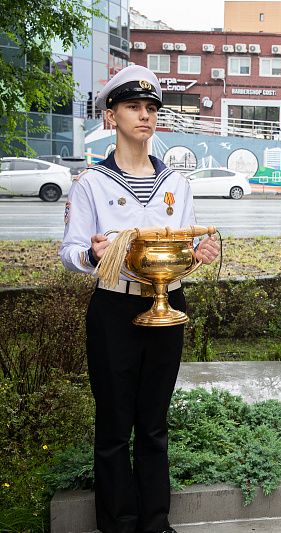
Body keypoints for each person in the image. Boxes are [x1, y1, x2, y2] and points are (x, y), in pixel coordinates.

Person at [59, 64, 220, 533]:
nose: (144, 116)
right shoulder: (91, 183)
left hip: (168, 304)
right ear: (111, 116)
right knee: (113, 426)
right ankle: (117, 523)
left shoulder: (176, 183)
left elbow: (182, 248)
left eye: (151, 108)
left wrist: (199, 253)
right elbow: (69, 252)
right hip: (114, 307)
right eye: (133, 107)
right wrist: (92, 254)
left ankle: (155, 521)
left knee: (154, 423)